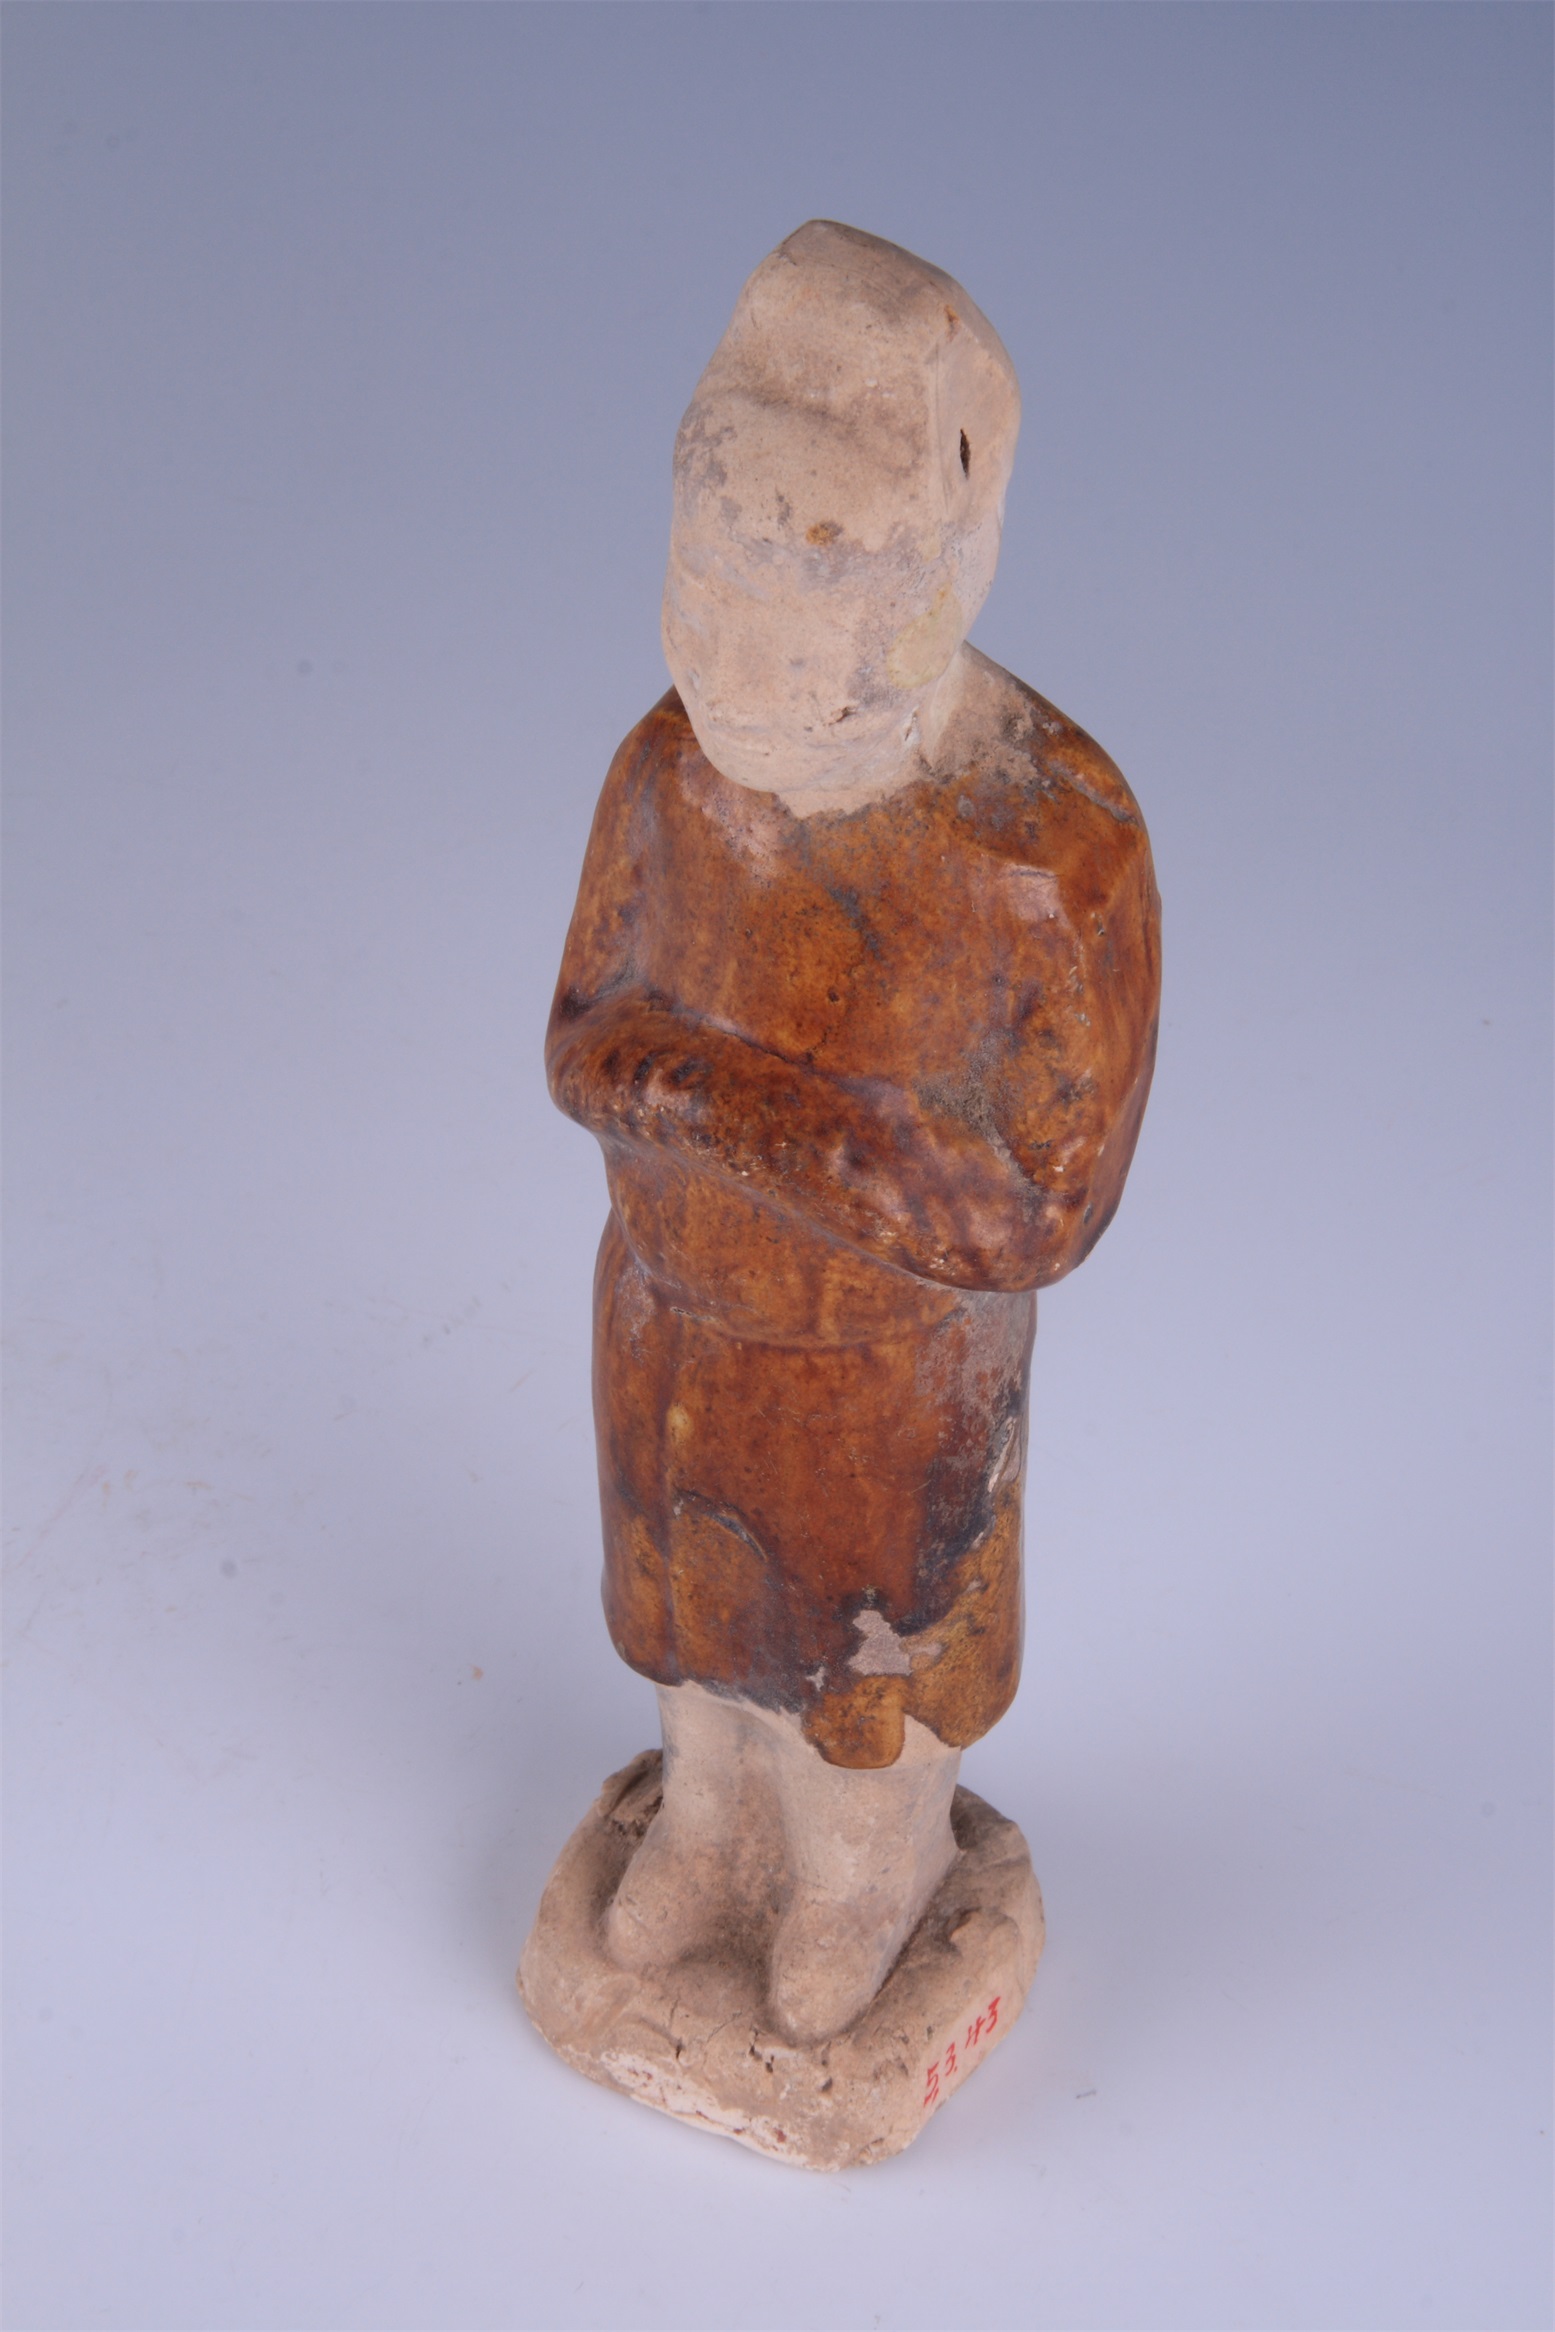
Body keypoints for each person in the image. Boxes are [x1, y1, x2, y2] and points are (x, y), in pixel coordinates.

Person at [546, 221, 1160, 2046]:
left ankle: (859, 1876)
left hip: (887, 1379)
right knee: (686, 1622)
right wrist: (714, 1115)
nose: (736, 659)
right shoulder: (668, 776)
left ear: (944, 580)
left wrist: (749, 1120)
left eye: (806, 596)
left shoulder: (1041, 855)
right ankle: (707, 1828)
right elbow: (577, 1036)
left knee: (858, 1654)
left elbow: (1047, 1205)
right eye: (705, 579)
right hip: (668, 1313)